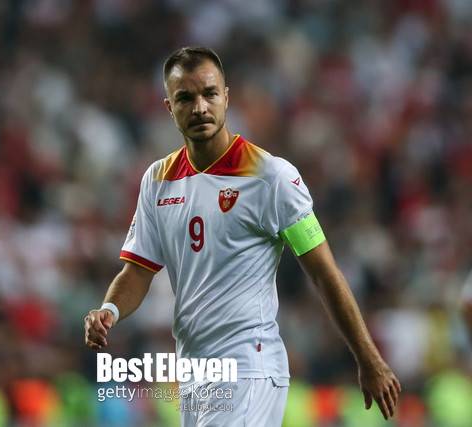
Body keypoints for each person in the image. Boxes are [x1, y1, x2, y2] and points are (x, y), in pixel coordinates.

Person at [84, 46, 400, 426]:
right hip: (195, 373)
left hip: (249, 365)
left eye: (209, 94)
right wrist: (110, 310)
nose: (200, 107)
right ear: (169, 107)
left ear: (226, 97)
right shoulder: (158, 180)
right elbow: (137, 271)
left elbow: (323, 272)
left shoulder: (270, 176)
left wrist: (368, 358)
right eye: (185, 98)